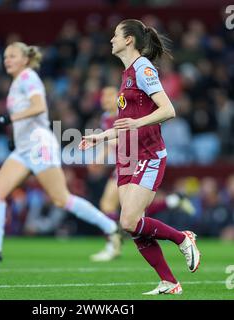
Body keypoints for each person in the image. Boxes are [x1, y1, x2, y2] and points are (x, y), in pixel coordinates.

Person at [0, 42, 121, 263]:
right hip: (24, 148)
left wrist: (10, 118)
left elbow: (39, 107)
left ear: (25, 60)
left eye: (12, 56)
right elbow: (28, 115)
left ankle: (111, 227)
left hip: (40, 147)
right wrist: (14, 137)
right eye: (5, 56)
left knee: (61, 199)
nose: (7, 60)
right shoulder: (17, 81)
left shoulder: (28, 77)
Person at [79, 19, 201, 295]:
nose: (111, 39)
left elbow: (168, 110)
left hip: (148, 153)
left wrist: (137, 123)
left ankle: (183, 238)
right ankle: (169, 282)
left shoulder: (144, 69)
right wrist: (100, 137)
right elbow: (124, 125)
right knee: (133, 226)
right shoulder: (125, 75)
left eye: (115, 35)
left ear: (129, 40)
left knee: (128, 221)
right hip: (128, 155)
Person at [91, 86, 196, 262]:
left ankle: (113, 244)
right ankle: (172, 202)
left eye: (109, 95)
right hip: (122, 161)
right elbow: (113, 143)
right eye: (103, 95)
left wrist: (102, 150)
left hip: (132, 160)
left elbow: (127, 135)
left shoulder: (121, 113)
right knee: (132, 213)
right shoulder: (105, 118)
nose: (105, 99)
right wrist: (99, 157)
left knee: (113, 207)